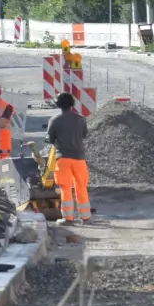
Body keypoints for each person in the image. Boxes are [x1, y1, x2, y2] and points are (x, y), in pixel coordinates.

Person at [46, 93, 92, 224]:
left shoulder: (54, 120)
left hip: (63, 159)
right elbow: (84, 135)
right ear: (73, 104)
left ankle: (68, 218)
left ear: (58, 105)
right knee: (81, 187)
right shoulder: (81, 119)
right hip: (79, 159)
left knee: (65, 189)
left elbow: (50, 139)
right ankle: (86, 217)